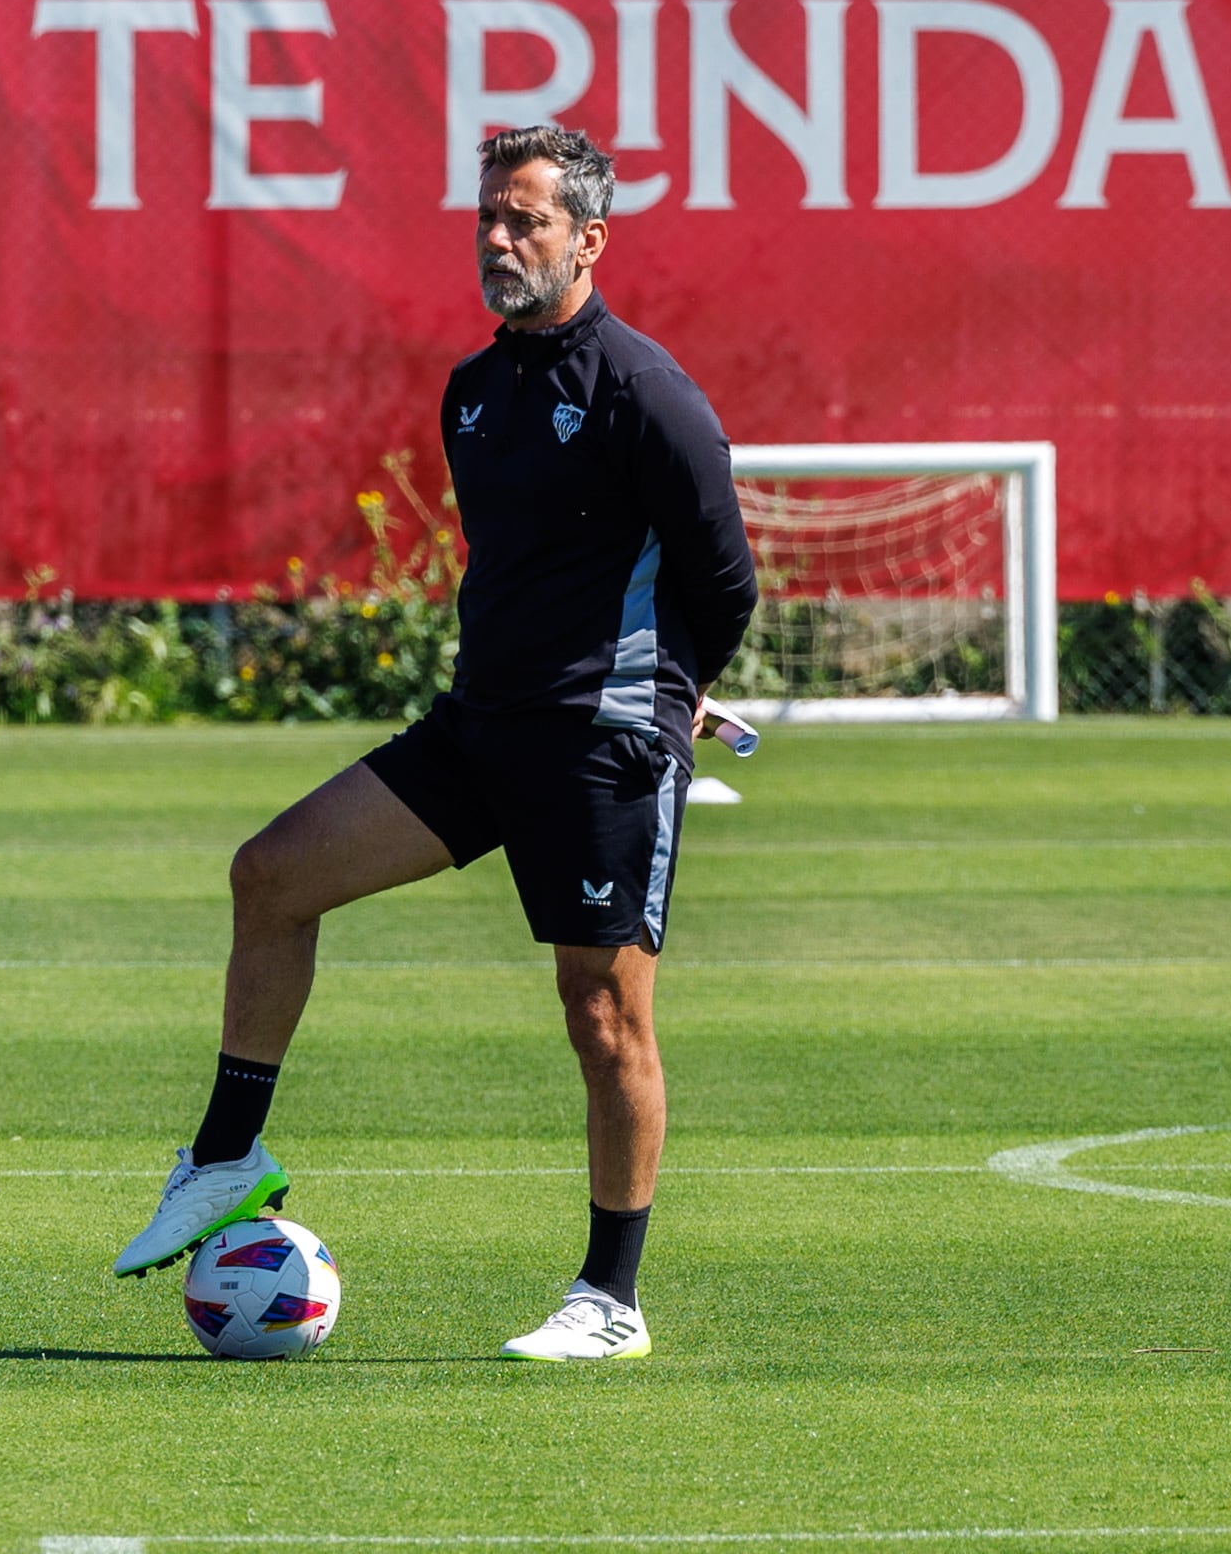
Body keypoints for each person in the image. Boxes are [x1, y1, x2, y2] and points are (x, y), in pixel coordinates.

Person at [112, 125, 759, 1361]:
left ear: (589, 238)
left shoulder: (648, 393)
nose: (500, 240)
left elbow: (723, 580)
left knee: (604, 1015)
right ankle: (226, 1154)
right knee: (273, 874)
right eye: (488, 219)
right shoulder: (475, 390)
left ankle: (609, 1300)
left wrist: (672, 695)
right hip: (483, 731)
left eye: (527, 221)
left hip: (601, 744)